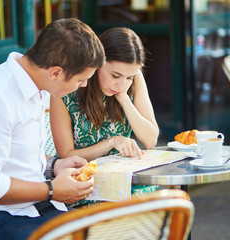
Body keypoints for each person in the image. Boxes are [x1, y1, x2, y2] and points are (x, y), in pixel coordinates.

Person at [0, 18, 105, 240]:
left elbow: (15, 153)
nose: (83, 86)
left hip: (40, 209)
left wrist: (55, 165)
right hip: (4, 217)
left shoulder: (40, 86)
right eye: (81, 80)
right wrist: (52, 190)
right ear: (56, 73)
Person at [50, 27, 159, 206]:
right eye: (115, 75)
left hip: (126, 182)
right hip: (87, 187)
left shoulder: (131, 81)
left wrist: (124, 99)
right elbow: (66, 155)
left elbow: (150, 139)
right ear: (98, 62)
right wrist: (110, 142)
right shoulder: (67, 90)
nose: (122, 84)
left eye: (129, 77)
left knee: (172, 205)